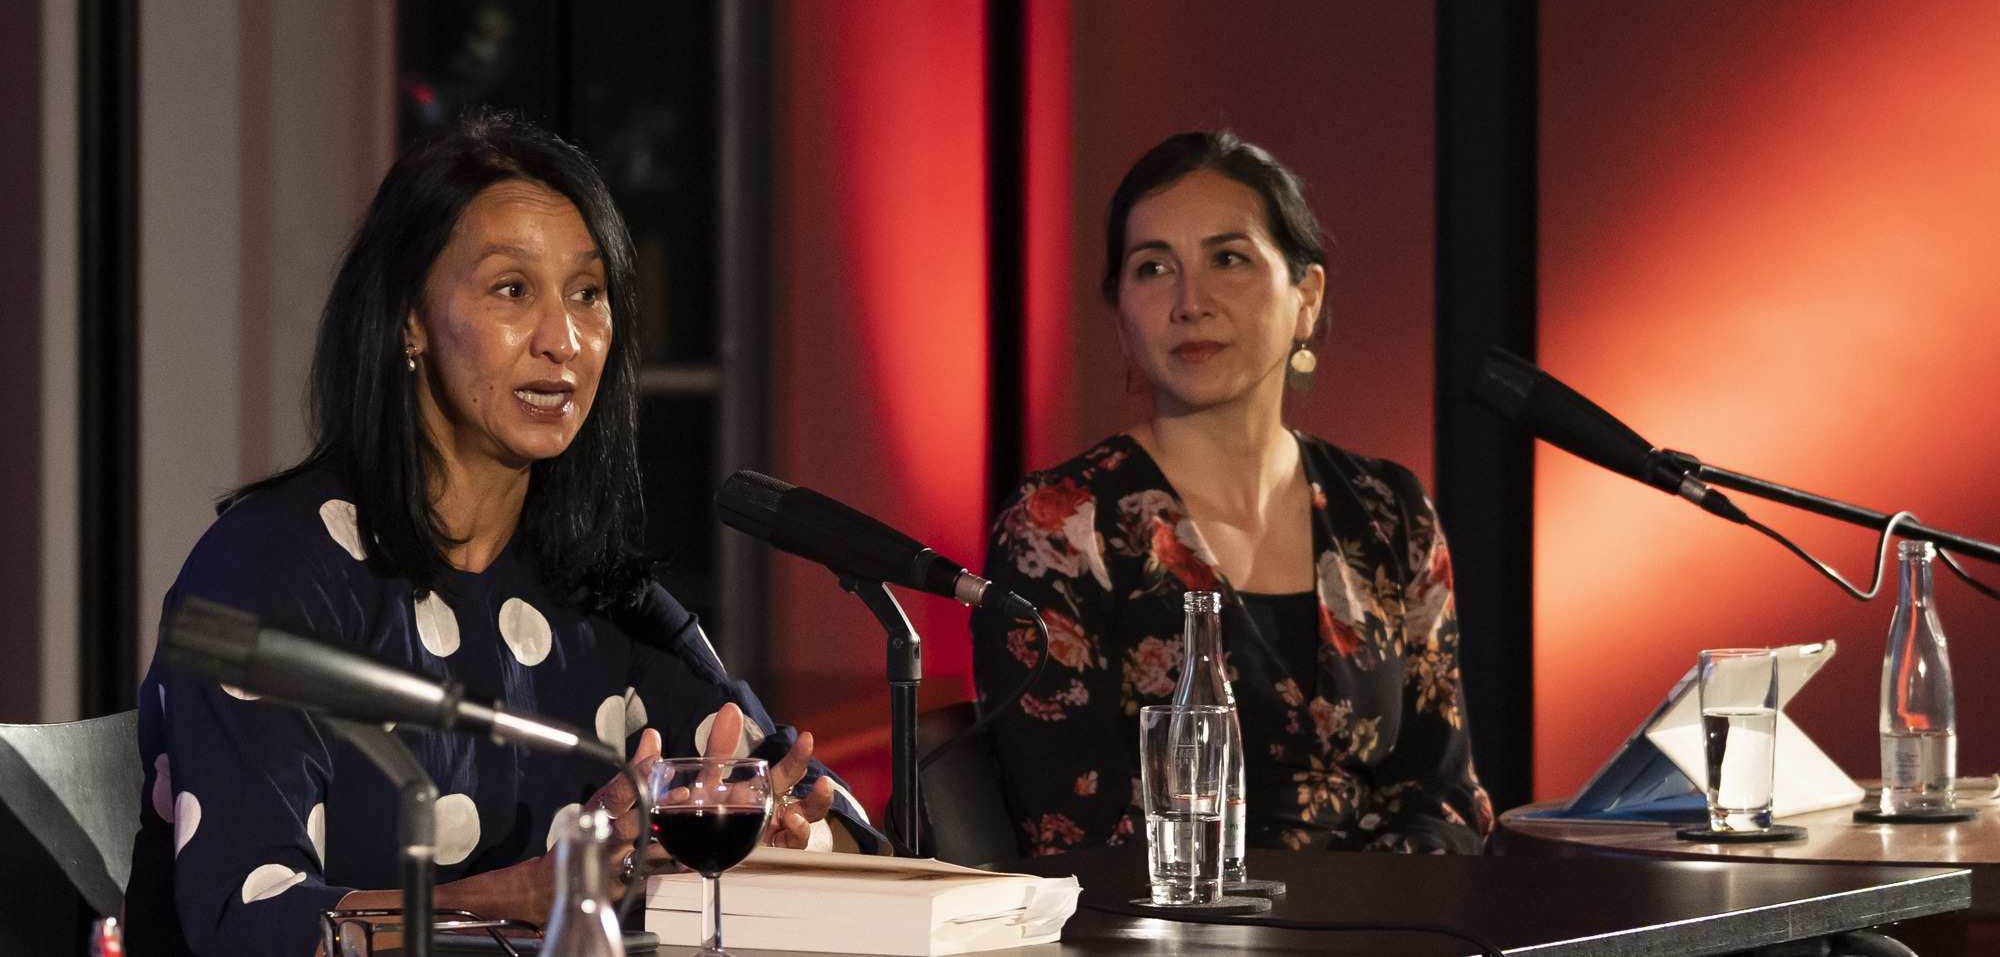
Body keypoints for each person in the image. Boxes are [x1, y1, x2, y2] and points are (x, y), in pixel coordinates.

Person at [127, 113, 879, 956]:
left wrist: (791, 832)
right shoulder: (272, 570)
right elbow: (244, 919)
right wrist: (519, 898)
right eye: (513, 290)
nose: (564, 340)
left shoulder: (606, 598)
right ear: (410, 318)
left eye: (588, 293)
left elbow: (833, 815)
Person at [972, 130, 1491, 857]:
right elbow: (1075, 829)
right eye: (1154, 268)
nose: (1191, 302)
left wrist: (1369, 913)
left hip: (1389, 913)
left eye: (1229, 259)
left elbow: (1442, 796)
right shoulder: (1059, 528)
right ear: (1120, 314)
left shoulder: (1389, 509)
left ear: (1306, 296)